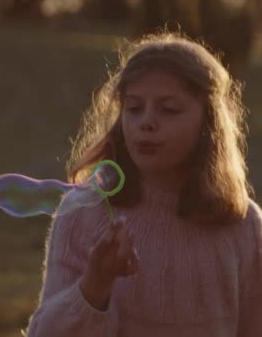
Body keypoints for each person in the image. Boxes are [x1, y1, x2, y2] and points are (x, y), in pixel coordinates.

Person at [25, 32, 262, 336]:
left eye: (169, 109)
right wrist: (94, 286)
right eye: (134, 108)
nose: (146, 122)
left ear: (209, 123)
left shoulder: (243, 226)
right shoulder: (85, 213)